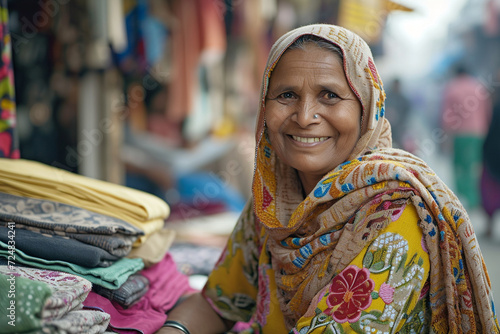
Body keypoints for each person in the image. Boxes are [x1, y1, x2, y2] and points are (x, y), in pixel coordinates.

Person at [158, 24, 499, 334]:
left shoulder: (396, 215)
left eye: (330, 96)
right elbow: (215, 304)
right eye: (287, 95)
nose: (305, 117)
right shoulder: (274, 204)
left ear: (366, 109)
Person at [441, 64, 492, 209]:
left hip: (460, 134)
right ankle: (474, 197)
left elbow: (448, 115)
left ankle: (464, 195)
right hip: (479, 133)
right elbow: (487, 111)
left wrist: (446, 136)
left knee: (459, 165)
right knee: (475, 165)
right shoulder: (478, 87)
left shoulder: (452, 88)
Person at [481, 68, 500, 237]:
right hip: (494, 152)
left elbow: (491, 129)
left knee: (491, 191)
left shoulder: (495, 106)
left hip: (494, 152)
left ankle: (489, 227)